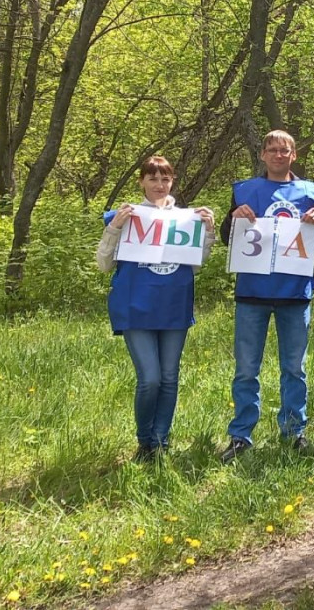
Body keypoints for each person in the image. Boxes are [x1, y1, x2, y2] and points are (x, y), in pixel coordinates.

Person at [219, 130, 314, 462]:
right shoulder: (245, 190)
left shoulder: (310, 191)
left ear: (294, 155)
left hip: (294, 291)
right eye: (272, 150)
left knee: (294, 368)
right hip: (252, 292)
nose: (278, 155)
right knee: (246, 369)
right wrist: (233, 219)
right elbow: (230, 238)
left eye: (285, 150)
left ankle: (294, 432)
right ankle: (241, 435)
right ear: (263, 155)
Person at [95, 156, 215, 462]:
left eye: (165, 179)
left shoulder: (185, 218)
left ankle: (161, 442)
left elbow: (196, 265)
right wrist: (115, 228)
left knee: (169, 378)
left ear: (172, 181)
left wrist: (209, 232)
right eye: (152, 179)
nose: (159, 186)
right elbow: (103, 264)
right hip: (136, 307)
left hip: (173, 307)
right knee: (149, 378)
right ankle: (144, 439)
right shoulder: (127, 216)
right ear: (141, 182)